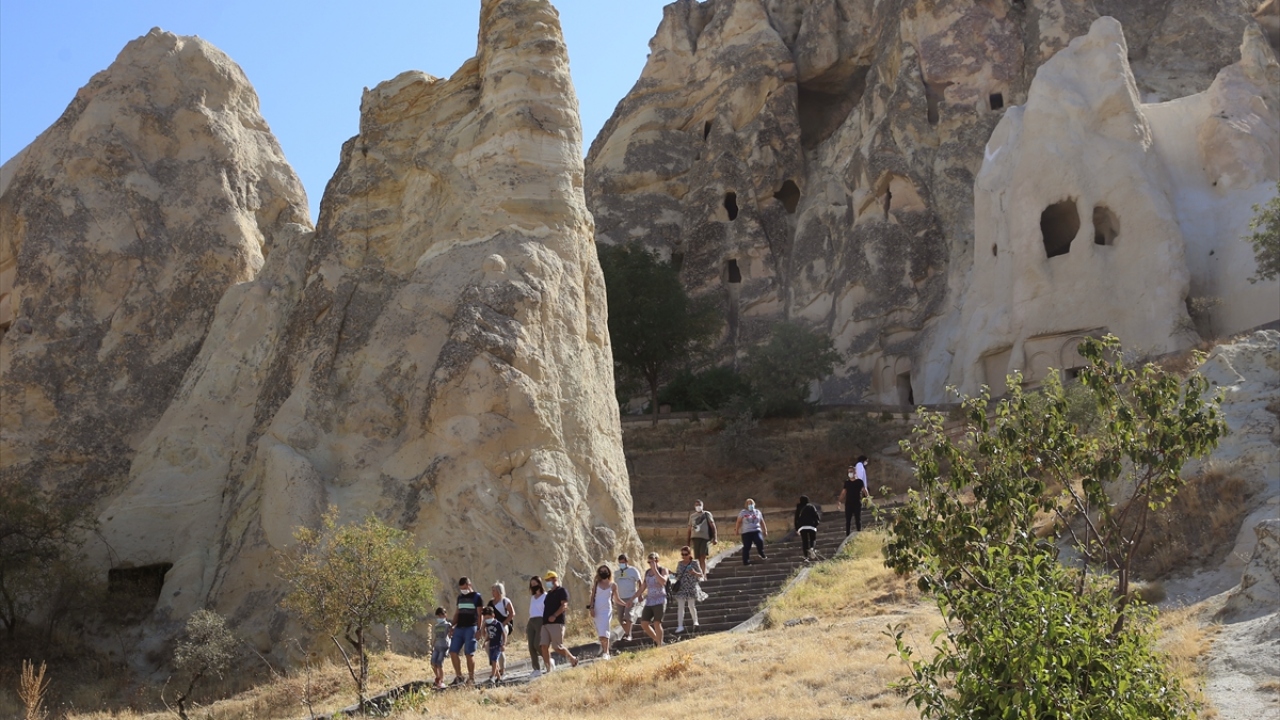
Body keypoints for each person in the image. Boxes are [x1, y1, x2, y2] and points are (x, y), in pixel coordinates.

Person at [449, 577, 485, 686]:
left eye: (464, 588)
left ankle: (471, 678)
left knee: (469, 654)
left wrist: (479, 629)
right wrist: (452, 625)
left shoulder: (477, 597)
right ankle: (459, 676)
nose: (463, 591)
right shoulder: (460, 598)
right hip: (460, 627)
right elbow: (457, 613)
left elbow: (480, 615)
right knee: (453, 651)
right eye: (461, 589)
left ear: (469, 585)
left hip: (471, 627)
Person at [539, 571, 578, 670]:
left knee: (557, 647)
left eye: (548, 580)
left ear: (554, 579)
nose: (547, 582)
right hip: (545, 624)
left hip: (556, 623)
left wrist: (554, 615)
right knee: (543, 646)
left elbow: (564, 605)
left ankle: (572, 659)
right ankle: (548, 668)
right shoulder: (548, 594)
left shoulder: (562, 591)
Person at [672, 545, 707, 634]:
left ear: (689, 554)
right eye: (682, 554)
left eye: (686, 554)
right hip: (682, 588)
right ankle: (680, 625)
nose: (684, 556)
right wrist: (671, 574)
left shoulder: (694, 563)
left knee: (691, 605)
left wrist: (694, 572)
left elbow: (701, 575)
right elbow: (678, 575)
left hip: (691, 587)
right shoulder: (680, 563)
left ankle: (695, 622)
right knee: (680, 607)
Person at [589, 564, 622, 659]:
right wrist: (591, 608)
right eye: (602, 571)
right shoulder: (596, 584)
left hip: (607, 610)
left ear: (608, 572)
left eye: (605, 571)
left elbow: (617, 599)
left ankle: (606, 652)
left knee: (605, 630)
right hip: (597, 609)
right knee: (601, 632)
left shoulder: (613, 585)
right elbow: (592, 596)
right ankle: (604, 650)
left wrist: (625, 604)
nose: (603, 573)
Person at [486, 582, 515, 679]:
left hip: (503, 626)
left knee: (499, 645)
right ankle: (496, 667)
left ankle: (502, 669)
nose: (492, 592)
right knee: (489, 647)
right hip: (492, 628)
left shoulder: (505, 601)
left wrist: (503, 624)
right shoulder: (490, 603)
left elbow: (512, 614)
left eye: (494, 590)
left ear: (499, 591)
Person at [640, 552, 669, 646]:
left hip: (660, 600)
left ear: (657, 560)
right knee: (644, 623)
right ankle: (657, 639)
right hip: (649, 601)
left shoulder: (663, 570)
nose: (650, 564)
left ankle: (660, 644)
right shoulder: (647, 572)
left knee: (657, 623)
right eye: (649, 562)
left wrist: (655, 570)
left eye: (652, 561)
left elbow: (663, 582)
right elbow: (643, 587)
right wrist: (632, 598)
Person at [614, 553, 643, 641]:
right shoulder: (617, 572)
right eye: (620, 563)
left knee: (627, 616)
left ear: (627, 562)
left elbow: (639, 581)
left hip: (631, 597)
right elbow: (614, 585)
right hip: (620, 598)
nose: (621, 564)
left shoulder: (633, 570)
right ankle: (627, 633)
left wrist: (640, 594)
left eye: (623, 562)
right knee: (620, 618)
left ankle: (628, 635)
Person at [686, 500, 718, 577]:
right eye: (696, 505)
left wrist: (715, 538)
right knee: (697, 558)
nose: (698, 506)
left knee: (702, 556)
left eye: (699, 505)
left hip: (704, 538)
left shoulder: (707, 514)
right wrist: (688, 542)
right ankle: (700, 574)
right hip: (695, 538)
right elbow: (689, 529)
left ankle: (703, 574)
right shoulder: (692, 516)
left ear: (702, 505)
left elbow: (713, 526)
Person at [840, 457, 870, 534]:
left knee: (858, 519)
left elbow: (864, 490)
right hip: (848, 503)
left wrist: (868, 498)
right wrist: (839, 501)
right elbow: (844, 492)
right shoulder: (847, 482)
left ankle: (859, 533)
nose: (850, 473)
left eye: (851, 471)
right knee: (848, 521)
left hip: (857, 502)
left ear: (855, 472)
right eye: (849, 472)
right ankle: (847, 535)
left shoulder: (859, 482)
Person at [734, 498, 768, 565]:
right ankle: (746, 561)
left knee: (759, 541)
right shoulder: (743, 512)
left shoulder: (757, 512)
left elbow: (762, 521)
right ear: (746, 505)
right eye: (749, 504)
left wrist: (765, 530)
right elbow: (738, 522)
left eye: (751, 503)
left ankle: (761, 553)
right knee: (747, 546)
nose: (750, 505)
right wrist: (736, 530)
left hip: (756, 530)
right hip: (746, 532)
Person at [526, 576, 547, 677]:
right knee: (530, 646)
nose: (533, 586)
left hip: (540, 620)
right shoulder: (532, 598)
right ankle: (536, 669)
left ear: (539, 584)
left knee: (537, 644)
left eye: (535, 584)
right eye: (531, 584)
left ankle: (547, 659)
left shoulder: (545, 596)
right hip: (531, 620)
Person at [481, 606, 507, 684]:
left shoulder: (498, 624)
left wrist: (503, 644)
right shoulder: (487, 625)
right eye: (485, 618)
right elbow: (486, 635)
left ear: (493, 615)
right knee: (493, 662)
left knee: (494, 660)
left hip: (498, 645)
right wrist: (483, 627)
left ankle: (492, 676)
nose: (487, 619)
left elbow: (504, 634)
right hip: (491, 645)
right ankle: (499, 678)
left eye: (488, 617)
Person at [794, 495, 822, 561]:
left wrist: (797, 528)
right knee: (813, 539)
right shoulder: (811, 506)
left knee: (805, 541)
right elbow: (817, 516)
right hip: (811, 526)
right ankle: (812, 548)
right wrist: (816, 524)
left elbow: (796, 519)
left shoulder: (799, 508)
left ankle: (806, 557)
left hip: (802, 527)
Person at [430, 607, 451, 690]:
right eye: (438, 616)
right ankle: (438, 678)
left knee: (439, 664)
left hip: (443, 646)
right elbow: (435, 636)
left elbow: (451, 635)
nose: (440, 617)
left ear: (445, 615)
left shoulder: (448, 625)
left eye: (441, 615)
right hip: (437, 646)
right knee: (433, 663)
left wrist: (449, 645)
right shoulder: (437, 626)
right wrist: (432, 645)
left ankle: (441, 681)